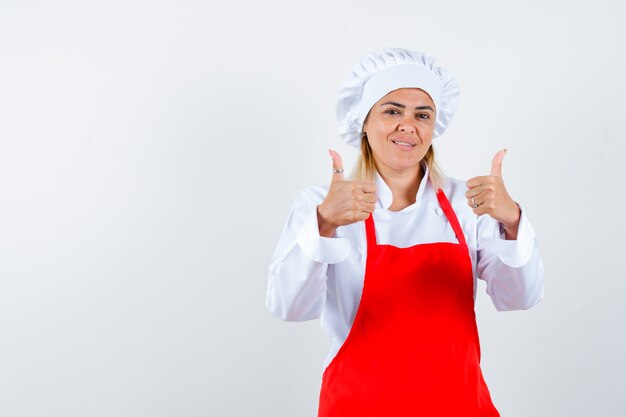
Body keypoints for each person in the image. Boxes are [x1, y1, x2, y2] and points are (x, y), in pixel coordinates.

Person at [266, 48, 544, 416]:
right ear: (363, 121)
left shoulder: (468, 201)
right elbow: (290, 307)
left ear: (434, 127)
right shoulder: (322, 203)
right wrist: (325, 224)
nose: (407, 125)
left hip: (460, 407)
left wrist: (512, 219)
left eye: (422, 114)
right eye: (392, 111)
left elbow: (519, 297)